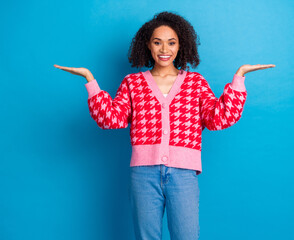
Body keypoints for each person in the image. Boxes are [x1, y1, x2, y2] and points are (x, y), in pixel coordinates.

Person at [54, 11, 275, 240]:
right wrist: (90, 81)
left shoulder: (195, 83)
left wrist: (239, 78)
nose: (164, 49)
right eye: (157, 42)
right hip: (143, 174)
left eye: (171, 43)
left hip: (184, 173)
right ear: (147, 45)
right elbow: (111, 118)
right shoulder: (133, 83)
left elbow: (217, 118)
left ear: (181, 46)